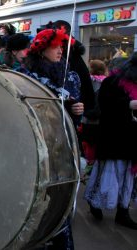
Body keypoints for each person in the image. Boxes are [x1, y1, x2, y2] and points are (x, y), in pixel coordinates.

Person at [23, 28, 84, 250]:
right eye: (56, 46)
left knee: (61, 204)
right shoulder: (26, 75)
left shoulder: (71, 76)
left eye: (62, 47)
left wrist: (78, 110)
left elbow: (76, 115)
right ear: (41, 49)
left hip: (63, 147)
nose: (60, 51)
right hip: (35, 147)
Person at [84, 52, 137, 230]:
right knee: (108, 174)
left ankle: (123, 213)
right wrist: (128, 105)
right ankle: (96, 203)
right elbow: (105, 106)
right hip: (114, 138)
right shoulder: (111, 82)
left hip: (132, 140)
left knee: (127, 178)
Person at [81, 60, 107, 167]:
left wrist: (83, 112)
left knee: (89, 147)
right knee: (94, 147)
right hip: (99, 122)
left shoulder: (91, 83)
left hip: (90, 121)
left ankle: (89, 168)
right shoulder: (106, 82)